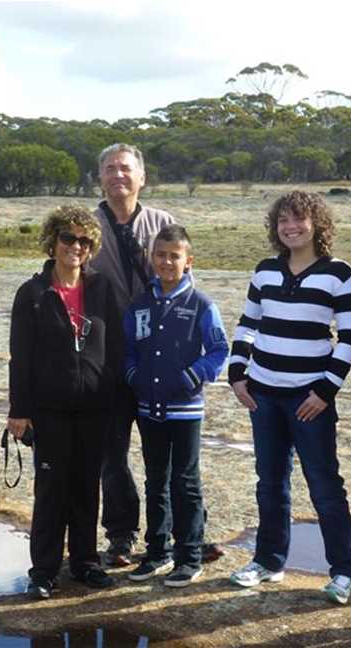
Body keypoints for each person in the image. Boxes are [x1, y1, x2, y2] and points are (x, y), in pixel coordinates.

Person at [90, 143, 225, 566]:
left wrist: (191, 368)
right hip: (111, 356)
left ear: (142, 177)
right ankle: (122, 534)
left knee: (173, 465)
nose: (118, 176)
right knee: (113, 452)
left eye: (126, 169)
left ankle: (190, 535)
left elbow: (186, 285)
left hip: (163, 362)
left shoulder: (162, 223)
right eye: (110, 169)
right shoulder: (90, 225)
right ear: (101, 178)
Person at [228, 190, 351, 605]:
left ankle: (342, 571)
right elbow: (248, 323)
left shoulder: (339, 273)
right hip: (263, 395)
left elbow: (350, 337)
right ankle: (268, 561)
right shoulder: (265, 270)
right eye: (284, 220)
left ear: (317, 224)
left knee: (324, 486)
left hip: (310, 401)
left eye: (300, 219)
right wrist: (237, 372)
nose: (291, 227)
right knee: (270, 483)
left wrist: (325, 390)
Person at [8, 205, 123, 599]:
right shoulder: (33, 293)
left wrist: (116, 397)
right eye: (68, 238)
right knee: (51, 489)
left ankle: (86, 562)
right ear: (53, 241)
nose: (76, 246)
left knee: (87, 487)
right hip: (49, 411)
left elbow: (117, 349)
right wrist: (18, 412)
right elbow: (20, 356)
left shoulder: (103, 289)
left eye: (84, 241)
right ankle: (43, 569)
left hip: (95, 408)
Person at [123, 225, 229, 587]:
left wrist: (192, 377)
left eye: (174, 256)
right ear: (152, 258)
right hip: (148, 408)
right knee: (156, 481)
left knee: (185, 481)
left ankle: (190, 555)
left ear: (188, 261)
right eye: (161, 255)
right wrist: (133, 374)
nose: (167, 262)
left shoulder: (201, 304)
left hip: (185, 409)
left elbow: (219, 351)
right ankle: (157, 553)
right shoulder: (140, 303)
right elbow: (128, 349)